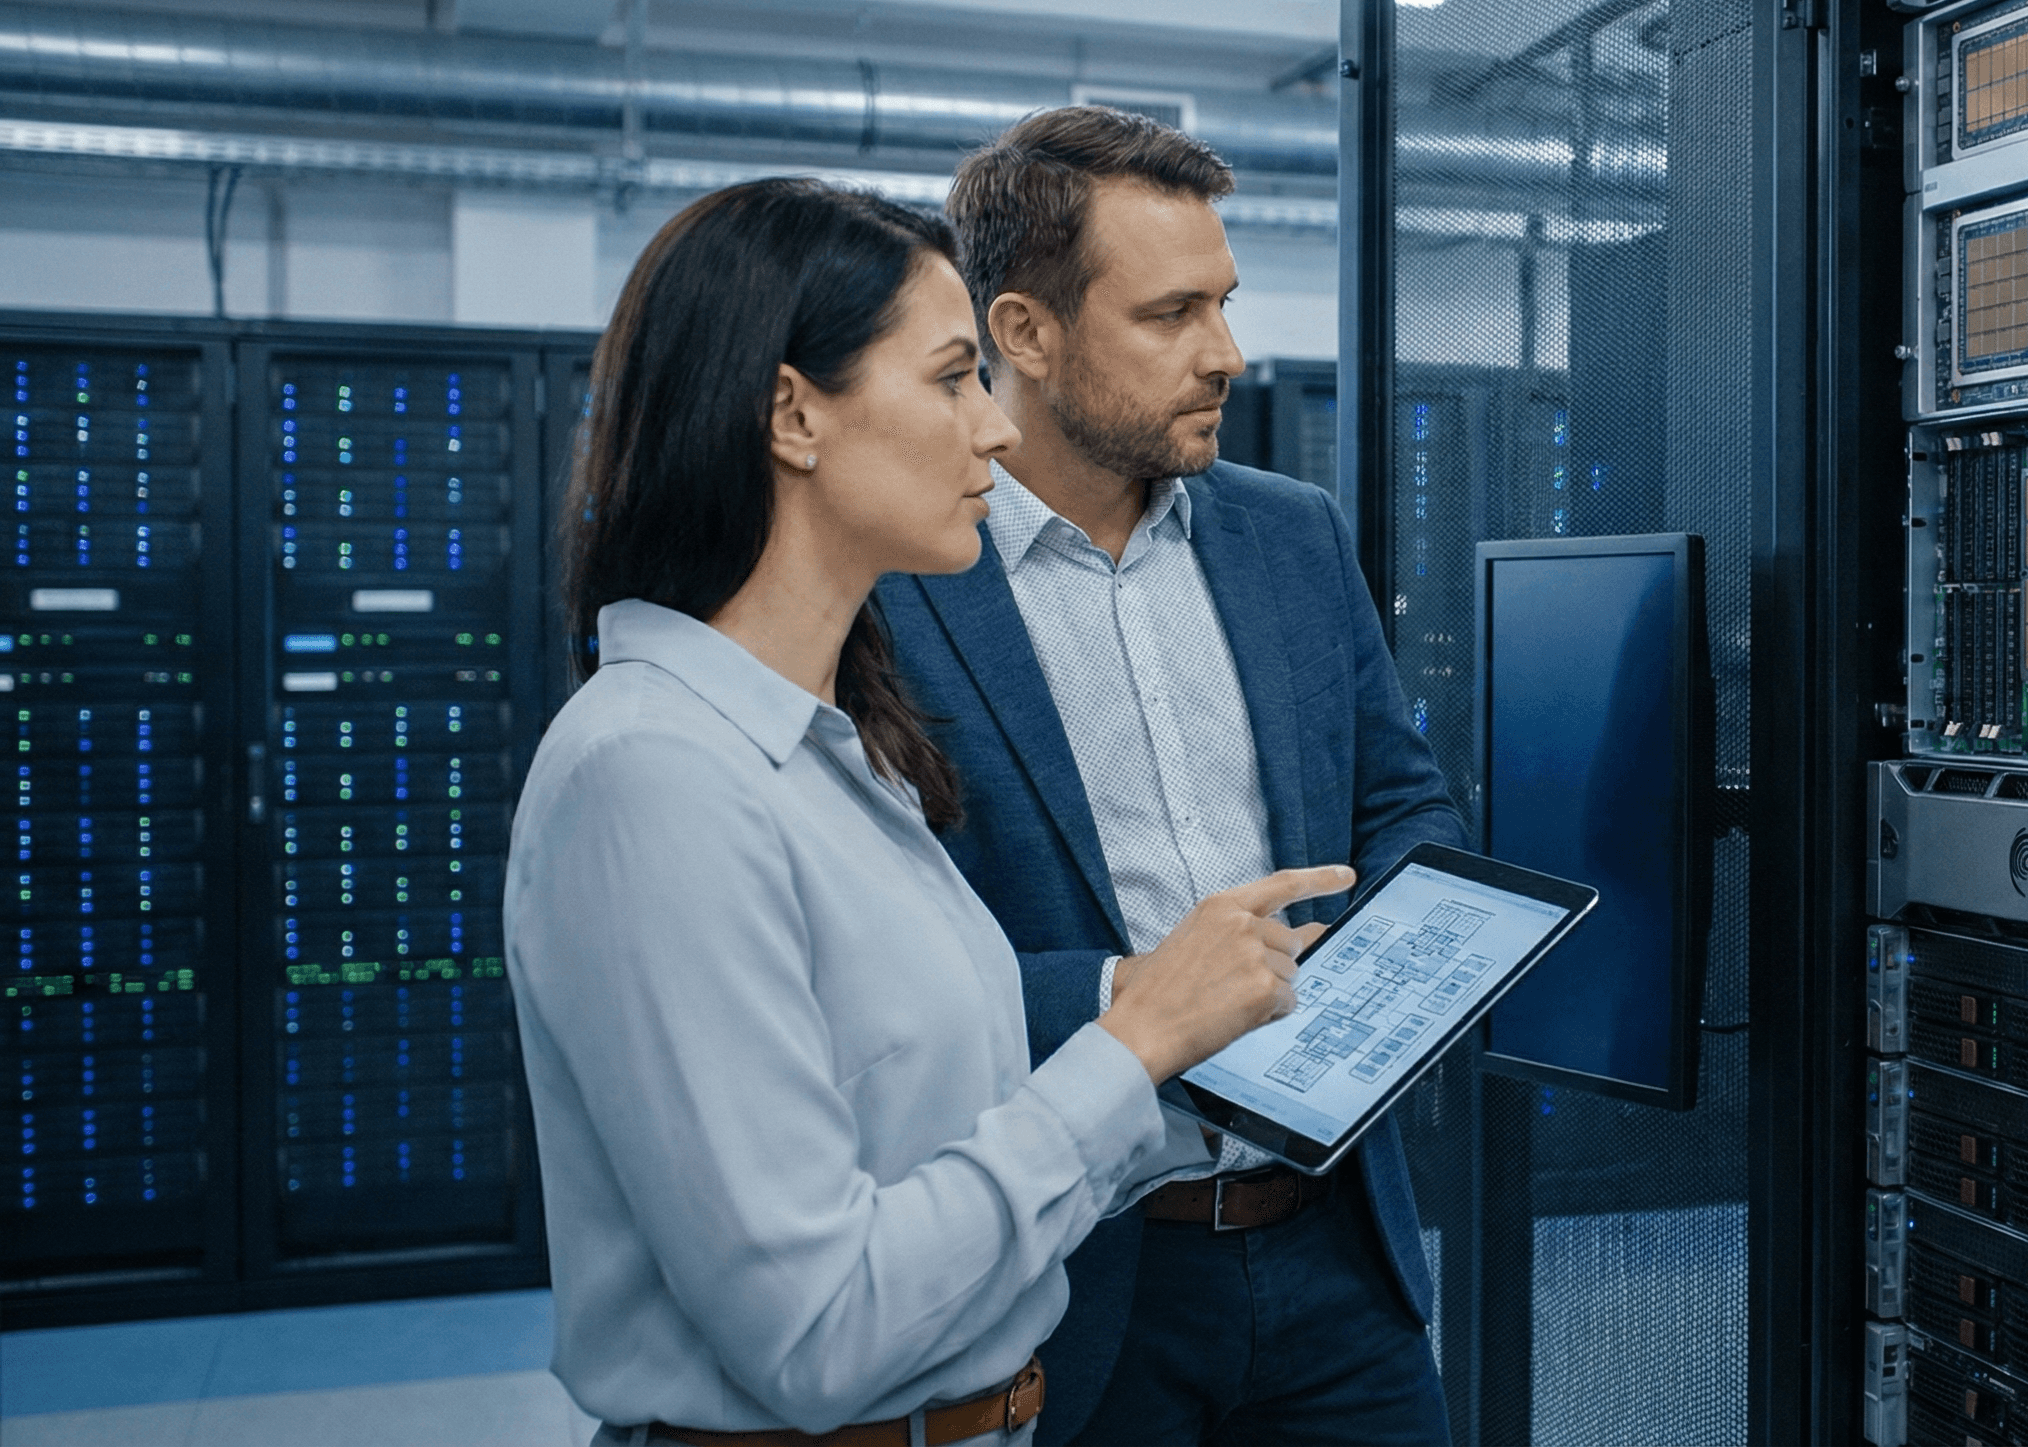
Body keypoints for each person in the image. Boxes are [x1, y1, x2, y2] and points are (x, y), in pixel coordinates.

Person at [505, 177, 1356, 1447]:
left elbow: (941, 1142)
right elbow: (819, 1331)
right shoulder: (654, 777)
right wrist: (1135, 1038)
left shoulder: (839, 752)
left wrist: (1197, 1059)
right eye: (953, 379)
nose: (996, 434)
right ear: (794, 413)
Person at [878, 107, 1464, 1447]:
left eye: (1227, 303)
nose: (1227, 355)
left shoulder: (1289, 535)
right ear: (1022, 334)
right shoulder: (904, 587)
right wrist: (1153, 1002)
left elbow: (1403, 803)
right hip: (1086, 1272)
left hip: (1336, 1255)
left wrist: (1376, 974)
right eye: (1172, 314)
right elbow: (888, 963)